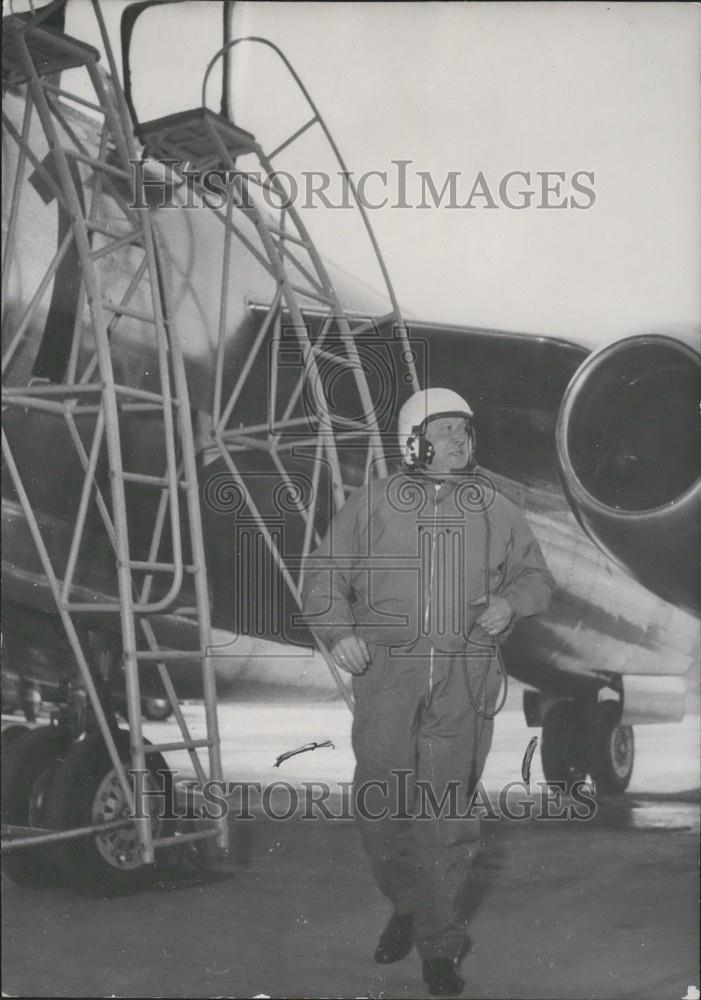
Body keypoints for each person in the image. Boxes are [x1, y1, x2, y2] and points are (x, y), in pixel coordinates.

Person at [302, 388, 555, 996]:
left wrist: (508, 604)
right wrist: (338, 633)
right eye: (443, 431)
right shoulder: (373, 504)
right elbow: (323, 576)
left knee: (448, 816)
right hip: (388, 678)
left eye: (464, 431)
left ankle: (439, 944)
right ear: (412, 442)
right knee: (380, 811)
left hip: (464, 679)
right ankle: (410, 904)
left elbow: (537, 577)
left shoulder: (495, 507)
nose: (459, 441)